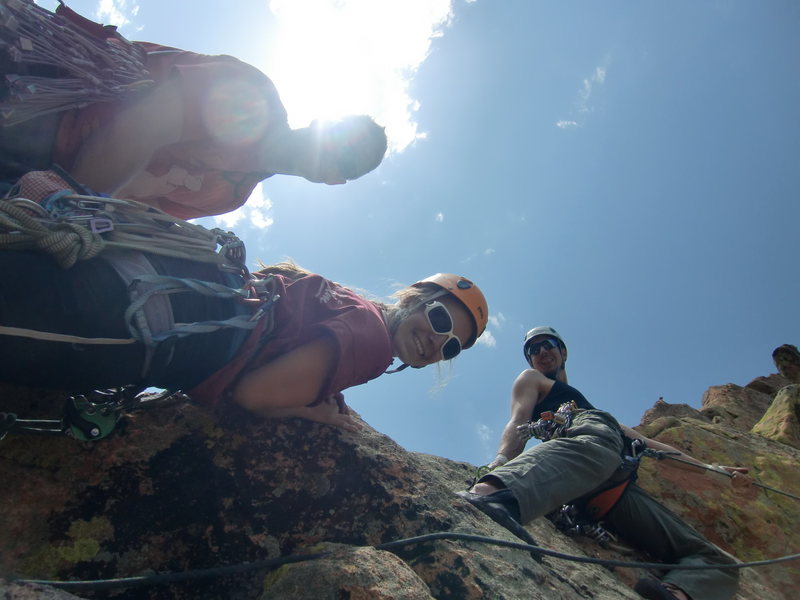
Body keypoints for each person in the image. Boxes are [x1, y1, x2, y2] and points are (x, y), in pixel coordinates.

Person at [0, 242, 488, 431]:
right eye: (441, 322)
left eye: (449, 348)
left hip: (159, 283)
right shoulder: (374, 346)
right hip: (152, 326)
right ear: (414, 300)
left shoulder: (350, 306)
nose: (433, 342)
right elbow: (253, 396)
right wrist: (314, 412)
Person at [0, 0, 387, 219]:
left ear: (337, 181)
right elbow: (144, 124)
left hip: (40, 183)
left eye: (348, 160)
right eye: (342, 137)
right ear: (322, 121)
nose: (336, 151)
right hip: (43, 94)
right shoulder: (256, 99)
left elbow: (136, 212)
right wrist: (64, 207)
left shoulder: (229, 197)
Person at [458, 326, 749, 600]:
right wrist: (501, 462)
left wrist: (714, 471)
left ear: (563, 351)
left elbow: (656, 448)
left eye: (548, 344)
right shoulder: (533, 380)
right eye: (534, 349)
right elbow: (519, 421)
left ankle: (676, 594)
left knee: (719, 562)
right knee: (601, 435)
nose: (541, 351)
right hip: (585, 452)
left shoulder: (596, 414)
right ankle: (495, 494)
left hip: (615, 487)